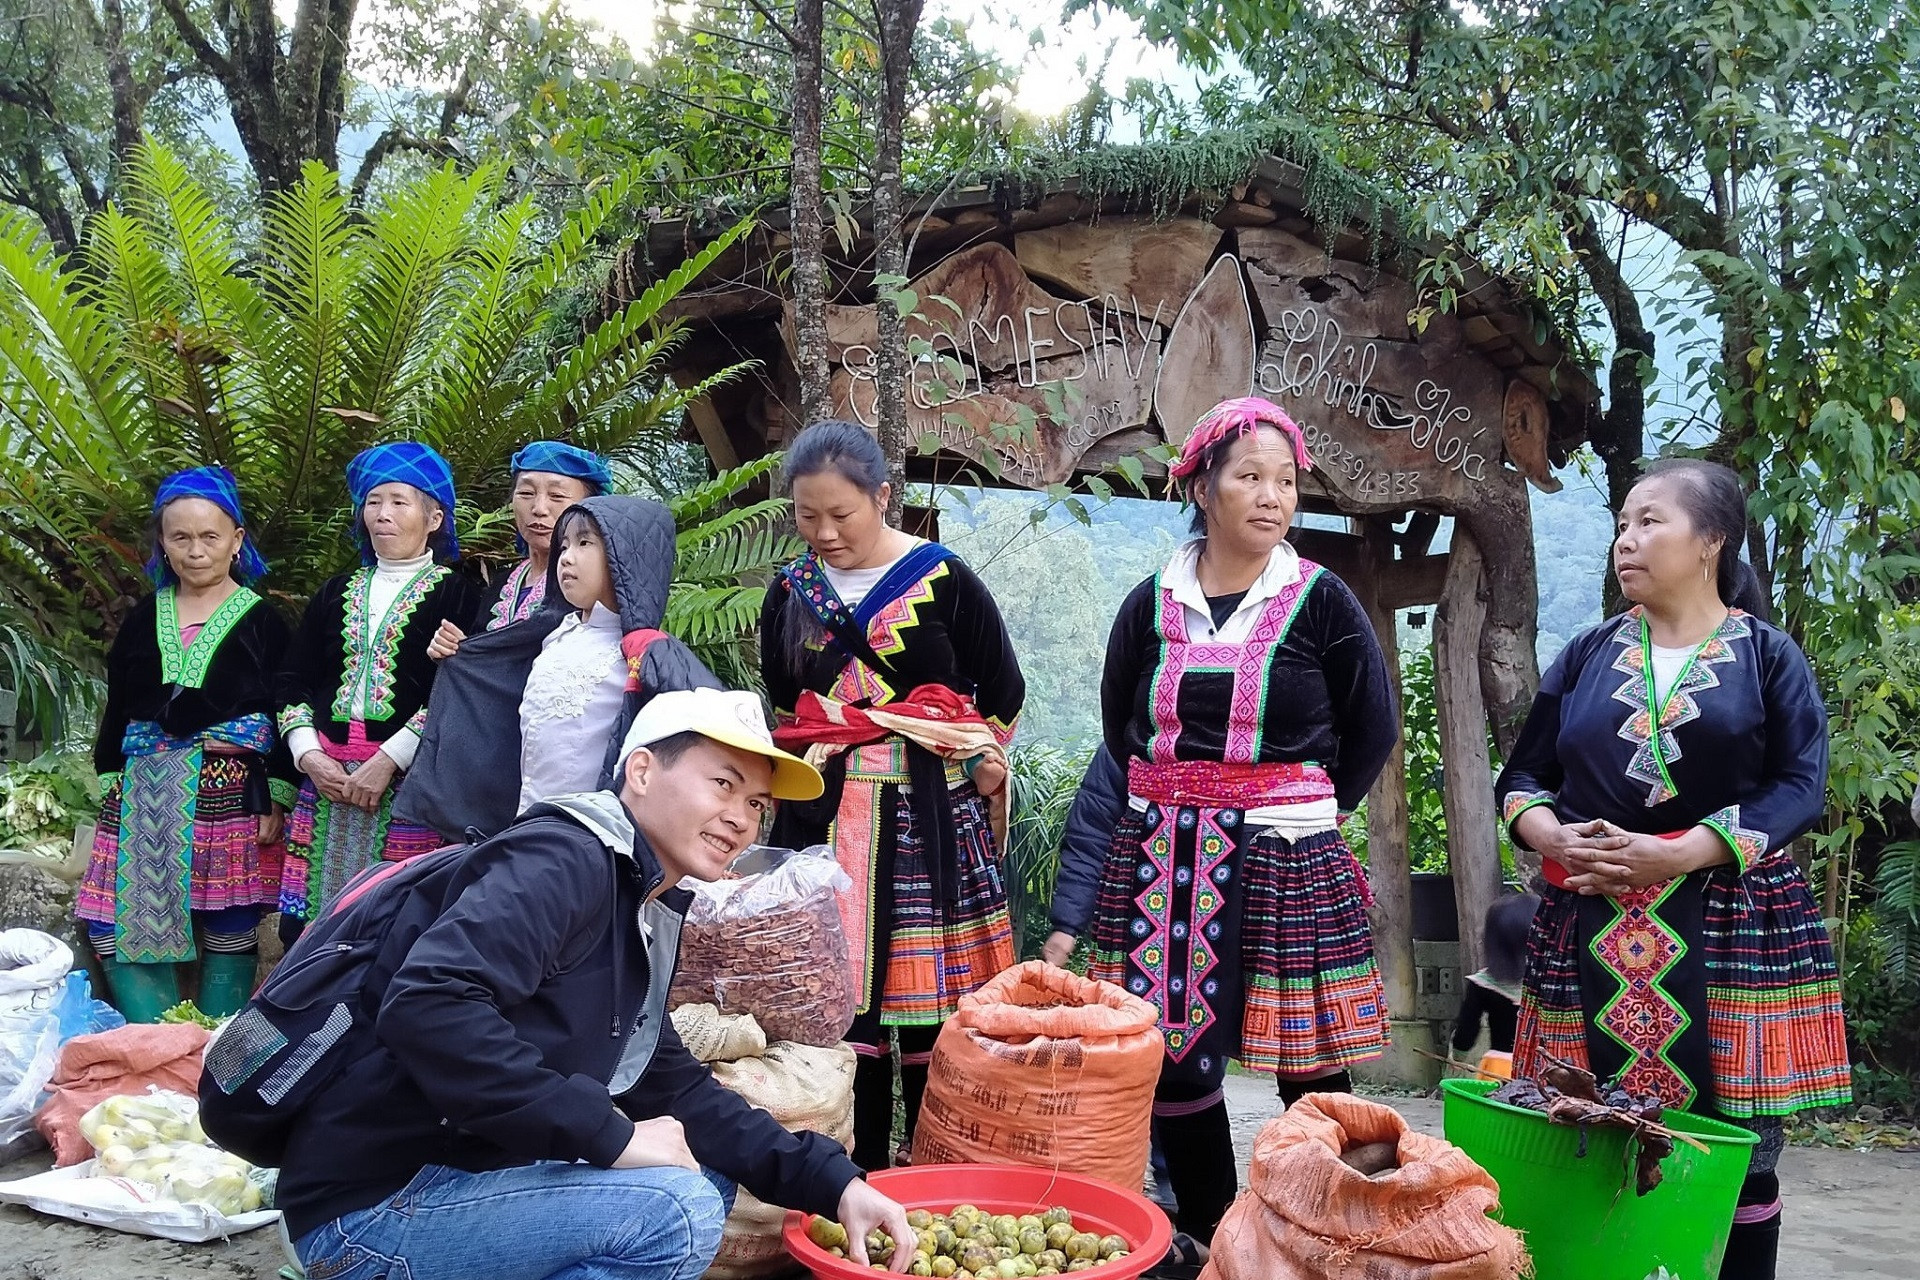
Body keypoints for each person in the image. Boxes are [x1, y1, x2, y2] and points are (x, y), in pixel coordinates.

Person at [270, 687, 916, 1280]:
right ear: (641, 772)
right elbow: (430, 1005)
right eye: (722, 784)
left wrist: (836, 1183)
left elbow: (675, 1087)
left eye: (755, 803)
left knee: (701, 1177)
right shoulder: (562, 861)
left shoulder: (637, 907)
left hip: (455, 1177)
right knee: (676, 1209)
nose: (741, 819)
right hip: (368, 1208)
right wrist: (610, 1135)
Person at [1046, 396, 1396, 1271]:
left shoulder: (1320, 603)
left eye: (1285, 481)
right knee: (1174, 1059)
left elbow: (1372, 728)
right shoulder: (1150, 603)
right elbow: (1123, 728)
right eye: (1249, 477)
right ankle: (1207, 1239)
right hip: (1165, 854)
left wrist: (1303, 807)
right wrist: (1185, 796)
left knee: (1308, 1063)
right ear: (1202, 486)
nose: (1272, 496)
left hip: (1287, 852)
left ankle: (1323, 1239)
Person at [1496, 458, 1850, 1280]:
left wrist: (1686, 849)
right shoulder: (1587, 653)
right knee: (1576, 1129)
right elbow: (1523, 777)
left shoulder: (1767, 656)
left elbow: (1801, 782)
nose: (1628, 539)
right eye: (1623, 524)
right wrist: (1550, 837)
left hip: (1730, 924)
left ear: (1712, 541)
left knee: (1741, 1152)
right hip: (1588, 925)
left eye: (1650, 521)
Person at [759, 420, 1025, 1172]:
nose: (825, 533)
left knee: (933, 1008)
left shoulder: (942, 577)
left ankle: (941, 1168)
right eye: (807, 517)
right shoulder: (791, 591)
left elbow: (1001, 689)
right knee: (847, 1011)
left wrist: (979, 759)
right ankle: (858, 1172)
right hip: (822, 812)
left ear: (883, 497)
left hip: (928, 816)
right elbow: (787, 705)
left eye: (841, 515)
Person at [78, 467, 295, 1022]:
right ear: (162, 544)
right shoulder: (142, 618)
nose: (196, 551)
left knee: (229, 914)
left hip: (227, 788)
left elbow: (284, 705)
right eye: (180, 538)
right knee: (112, 920)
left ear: (237, 540)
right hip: (144, 790)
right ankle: (155, 1041)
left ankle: (214, 1048)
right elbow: (119, 702)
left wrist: (277, 791)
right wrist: (111, 777)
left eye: (210, 537)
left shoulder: (265, 622)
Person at [396, 495, 720, 841]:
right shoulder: (551, 636)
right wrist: (460, 655)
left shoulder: (648, 654)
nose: (565, 557)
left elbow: (712, 736)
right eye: (563, 545)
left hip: (593, 842)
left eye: (584, 543)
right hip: (522, 829)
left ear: (625, 555)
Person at [276, 442, 488, 930]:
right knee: (300, 926)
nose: (383, 515)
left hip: (408, 784)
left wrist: (389, 759)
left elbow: (458, 690)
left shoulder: (460, 594)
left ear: (435, 518)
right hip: (325, 780)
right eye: (373, 502)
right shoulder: (335, 592)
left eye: (399, 502)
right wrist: (309, 755)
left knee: (391, 922)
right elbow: (292, 678)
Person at [427, 439, 612, 657]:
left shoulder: (598, 587)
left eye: (557, 496)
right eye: (526, 493)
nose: (539, 509)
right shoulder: (500, 585)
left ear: (589, 508)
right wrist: (460, 653)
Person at [1450, 893, 1540, 1063]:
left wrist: (1456, 1059)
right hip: (1549, 1069)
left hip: (1501, 1069)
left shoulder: (1482, 984)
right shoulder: (1552, 985)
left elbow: (1465, 1035)